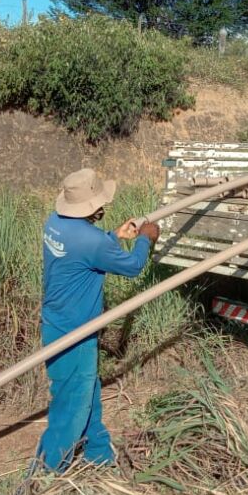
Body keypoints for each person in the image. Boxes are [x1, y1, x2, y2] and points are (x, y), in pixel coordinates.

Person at [35, 168, 160, 473]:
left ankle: (98, 453)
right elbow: (132, 266)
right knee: (70, 405)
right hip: (75, 332)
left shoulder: (55, 223)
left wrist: (114, 236)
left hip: (55, 321)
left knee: (86, 389)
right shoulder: (92, 242)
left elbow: (83, 248)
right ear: (93, 206)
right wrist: (145, 239)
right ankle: (48, 469)